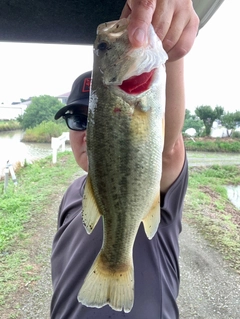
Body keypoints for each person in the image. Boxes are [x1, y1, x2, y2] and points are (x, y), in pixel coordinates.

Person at [51, 0, 224, 318]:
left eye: (90, 117)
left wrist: (167, 45)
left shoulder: (155, 178)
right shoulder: (71, 197)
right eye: (77, 120)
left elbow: (167, 146)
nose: (88, 132)